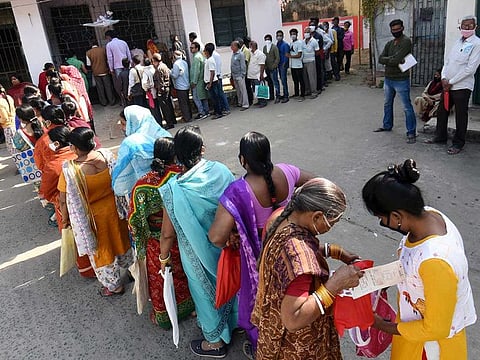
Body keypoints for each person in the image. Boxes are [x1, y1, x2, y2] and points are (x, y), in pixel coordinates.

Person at [209, 131, 314, 353]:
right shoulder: (286, 172)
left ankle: (266, 347)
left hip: (261, 256)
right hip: (292, 246)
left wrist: (234, 234)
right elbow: (318, 183)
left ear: (242, 160)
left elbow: (216, 237)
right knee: (293, 295)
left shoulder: (238, 190)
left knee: (264, 302)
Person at [362, 159, 477, 359]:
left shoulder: (435, 262)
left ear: (397, 216)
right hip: (412, 326)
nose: (381, 222)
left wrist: (383, 326)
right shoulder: (430, 216)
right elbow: (412, 265)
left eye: (381, 217)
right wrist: (380, 279)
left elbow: (436, 328)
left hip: (431, 347)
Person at [251, 178, 363, 359]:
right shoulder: (300, 260)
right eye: (331, 223)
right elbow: (293, 319)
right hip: (295, 346)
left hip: (271, 326)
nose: (330, 227)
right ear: (317, 216)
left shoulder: (281, 217)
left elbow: (294, 249)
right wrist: (334, 285)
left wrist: (335, 251)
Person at [159, 126, 237, 358]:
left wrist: (163, 258)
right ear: (202, 149)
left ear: (176, 156)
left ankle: (215, 342)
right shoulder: (221, 171)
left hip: (197, 253)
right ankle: (237, 323)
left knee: (205, 294)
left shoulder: (173, 190)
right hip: (228, 245)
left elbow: (167, 234)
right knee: (233, 283)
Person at [128, 137, 195, 328]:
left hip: (157, 240)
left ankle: (165, 317)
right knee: (188, 271)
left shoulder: (143, 185)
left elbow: (135, 220)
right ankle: (192, 307)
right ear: (176, 155)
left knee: (161, 277)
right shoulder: (183, 175)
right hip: (185, 234)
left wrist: (141, 242)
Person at [58, 127, 133, 295]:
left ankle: (114, 286)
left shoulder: (70, 170)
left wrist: (65, 220)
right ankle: (132, 271)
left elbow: (63, 200)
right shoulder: (106, 156)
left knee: (102, 251)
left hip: (93, 218)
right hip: (116, 210)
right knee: (122, 241)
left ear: (75, 148)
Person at [426, 15, 480, 155]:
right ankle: (440, 137)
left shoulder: (477, 44)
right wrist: (444, 78)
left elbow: (470, 69)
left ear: (475, 27)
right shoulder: (458, 42)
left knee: (461, 116)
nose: (466, 28)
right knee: (442, 111)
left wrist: (451, 82)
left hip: (462, 86)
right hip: (447, 85)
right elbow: (448, 61)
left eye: (469, 26)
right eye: (464, 26)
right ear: (460, 27)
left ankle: (458, 143)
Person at [111, 106, 171, 201]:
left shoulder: (131, 144)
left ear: (133, 123)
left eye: (123, 124)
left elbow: (121, 180)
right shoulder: (165, 136)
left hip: (145, 194)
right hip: (170, 187)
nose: (122, 128)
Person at [374, 19, 417, 144]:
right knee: (387, 104)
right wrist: (392, 60)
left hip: (401, 79)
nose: (396, 32)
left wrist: (391, 60)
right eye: (393, 30)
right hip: (388, 79)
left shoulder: (406, 41)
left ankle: (411, 132)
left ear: (402, 28)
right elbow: (380, 59)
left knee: (406, 107)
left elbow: (396, 59)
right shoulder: (390, 43)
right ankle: (387, 125)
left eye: (398, 29)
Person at [86, 41, 116, 106]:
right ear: (97, 44)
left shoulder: (88, 53)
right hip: (105, 71)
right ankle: (112, 101)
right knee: (108, 87)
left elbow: (88, 64)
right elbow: (108, 59)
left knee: (100, 88)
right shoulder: (103, 50)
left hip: (96, 72)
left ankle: (103, 102)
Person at [152, 53, 176, 129]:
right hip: (167, 88)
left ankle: (169, 123)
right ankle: (173, 120)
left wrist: (159, 92)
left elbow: (160, 82)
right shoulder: (164, 66)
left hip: (162, 90)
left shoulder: (159, 69)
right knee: (169, 105)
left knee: (165, 108)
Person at [105, 30, 132, 99]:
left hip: (117, 67)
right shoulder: (123, 42)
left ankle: (124, 99)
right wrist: (131, 64)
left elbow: (110, 58)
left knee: (121, 84)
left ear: (108, 37)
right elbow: (128, 54)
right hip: (126, 65)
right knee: (129, 81)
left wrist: (111, 69)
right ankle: (130, 96)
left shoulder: (109, 45)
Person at [204, 43, 225, 119]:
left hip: (213, 82)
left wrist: (210, 83)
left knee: (215, 97)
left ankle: (219, 112)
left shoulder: (211, 60)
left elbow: (212, 72)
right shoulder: (208, 60)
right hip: (210, 81)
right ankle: (216, 111)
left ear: (207, 51)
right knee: (213, 98)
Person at [189, 41, 209, 119]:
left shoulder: (197, 57)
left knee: (196, 97)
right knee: (203, 97)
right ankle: (206, 111)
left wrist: (194, 81)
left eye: (192, 48)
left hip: (197, 81)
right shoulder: (199, 56)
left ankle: (202, 112)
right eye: (190, 48)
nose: (191, 49)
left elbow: (196, 71)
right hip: (201, 80)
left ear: (197, 48)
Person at [171, 50, 191, 122]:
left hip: (180, 86)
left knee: (183, 103)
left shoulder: (176, 64)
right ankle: (189, 115)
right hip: (186, 84)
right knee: (187, 101)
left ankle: (186, 118)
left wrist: (170, 72)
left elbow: (175, 75)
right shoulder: (184, 62)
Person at [286, 28, 305, 101]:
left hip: (298, 65)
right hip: (293, 65)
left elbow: (299, 55)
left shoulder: (299, 43)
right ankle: (296, 93)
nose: (293, 35)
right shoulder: (291, 43)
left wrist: (290, 56)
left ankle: (302, 95)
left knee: (301, 80)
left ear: (297, 35)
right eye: (291, 34)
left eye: (294, 34)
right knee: (295, 80)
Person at [247, 40, 267, 108]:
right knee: (255, 89)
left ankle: (263, 102)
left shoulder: (260, 54)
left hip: (258, 75)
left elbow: (262, 65)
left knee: (260, 88)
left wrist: (261, 75)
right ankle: (259, 100)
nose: (249, 47)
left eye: (250, 46)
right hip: (252, 76)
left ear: (253, 46)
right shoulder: (251, 54)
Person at [231, 40, 249, 111]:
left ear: (236, 46)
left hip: (240, 75)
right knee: (238, 90)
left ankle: (245, 104)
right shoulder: (233, 54)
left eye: (232, 46)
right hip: (235, 75)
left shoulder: (240, 54)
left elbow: (243, 65)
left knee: (243, 90)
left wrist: (242, 74)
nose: (231, 47)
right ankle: (240, 102)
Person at [302, 27, 320, 99]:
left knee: (312, 77)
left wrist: (312, 57)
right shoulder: (303, 41)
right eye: (305, 32)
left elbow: (317, 52)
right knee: (305, 77)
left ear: (311, 33)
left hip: (311, 61)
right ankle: (307, 90)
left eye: (307, 32)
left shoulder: (314, 41)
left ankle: (314, 92)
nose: (306, 34)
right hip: (304, 61)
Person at [262, 34, 280, 103]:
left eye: (268, 39)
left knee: (275, 82)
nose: (267, 41)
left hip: (273, 68)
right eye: (266, 39)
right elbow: (264, 57)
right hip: (267, 68)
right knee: (269, 83)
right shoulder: (264, 48)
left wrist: (274, 66)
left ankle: (277, 96)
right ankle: (271, 96)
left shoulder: (274, 47)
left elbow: (277, 58)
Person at [0, 84, 16, 155]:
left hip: (8, 126)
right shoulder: (9, 97)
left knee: (12, 148)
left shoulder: (0, 102)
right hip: (14, 123)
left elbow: (4, 118)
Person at [276, 30, 291, 103]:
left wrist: (284, 64)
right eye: (278, 35)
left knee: (284, 80)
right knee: (282, 80)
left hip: (283, 65)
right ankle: (284, 94)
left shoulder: (285, 45)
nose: (279, 37)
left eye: (280, 35)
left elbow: (286, 55)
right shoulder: (277, 44)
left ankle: (286, 95)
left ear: (283, 36)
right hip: (279, 64)